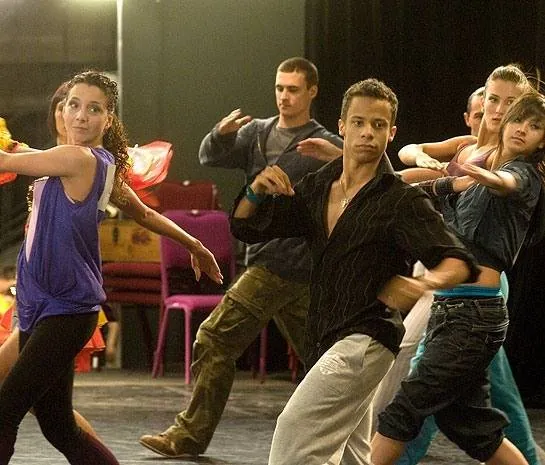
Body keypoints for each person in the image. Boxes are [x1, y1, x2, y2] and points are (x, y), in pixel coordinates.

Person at [230, 78, 478, 465]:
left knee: (293, 433)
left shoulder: (400, 200)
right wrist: (255, 191)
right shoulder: (316, 187)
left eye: (378, 125)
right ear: (342, 126)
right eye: (359, 123)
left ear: (391, 133)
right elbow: (247, 226)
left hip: (365, 338)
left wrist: (421, 283)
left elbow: (457, 261)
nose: (367, 133)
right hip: (325, 336)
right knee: (353, 455)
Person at [0, 70, 222, 465]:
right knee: (58, 426)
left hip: (65, 310)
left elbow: (5, 159)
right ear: (62, 109)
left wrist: (8, 148)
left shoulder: (79, 158)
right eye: (74, 105)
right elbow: (143, 213)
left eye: (93, 109)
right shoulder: (97, 166)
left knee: (5, 412)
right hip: (42, 305)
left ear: (108, 119)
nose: (80, 115)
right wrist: (194, 243)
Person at [138, 56, 344, 458]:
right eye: (280, 88)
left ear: (312, 92)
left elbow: (364, 176)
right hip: (274, 260)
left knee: (215, 338)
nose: (284, 97)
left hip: (286, 261)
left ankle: (189, 435)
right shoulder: (257, 133)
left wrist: (337, 156)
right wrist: (219, 133)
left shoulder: (320, 142)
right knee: (324, 356)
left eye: (293, 90)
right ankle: (369, 427)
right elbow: (208, 156)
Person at [371, 91, 545, 465]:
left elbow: (508, 183)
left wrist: (490, 177)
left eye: (535, 126)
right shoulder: (473, 167)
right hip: (450, 311)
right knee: (471, 427)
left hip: (473, 317)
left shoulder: (524, 175)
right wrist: (396, 186)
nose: (522, 129)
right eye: (519, 120)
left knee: (402, 412)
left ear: (542, 141)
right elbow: (428, 183)